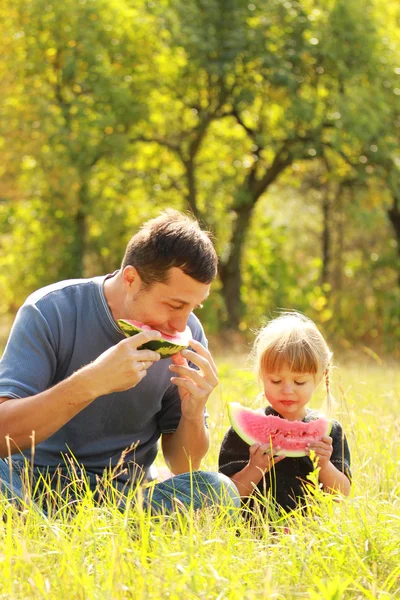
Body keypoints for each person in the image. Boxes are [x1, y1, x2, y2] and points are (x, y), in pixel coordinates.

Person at [0, 209, 239, 514]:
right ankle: (40, 524)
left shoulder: (189, 333)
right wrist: (91, 383)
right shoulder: (50, 311)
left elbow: (184, 466)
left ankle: (92, 532)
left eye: (193, 307)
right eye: (174, 305)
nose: (182, 325)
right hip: (28, 487)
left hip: (124, 500)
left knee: (218, 491)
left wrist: (192, 414)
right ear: (131, 279)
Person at [218, 312, 351, 517]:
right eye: (276, 381)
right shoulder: (239, 435)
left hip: (309, 537)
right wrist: (255, 467)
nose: (288, 390)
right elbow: (227, 496)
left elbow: (342, 494)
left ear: (319, 377)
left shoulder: (331, 434)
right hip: (256, 536)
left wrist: (324, 465)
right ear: (262, 376)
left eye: (299, 382)